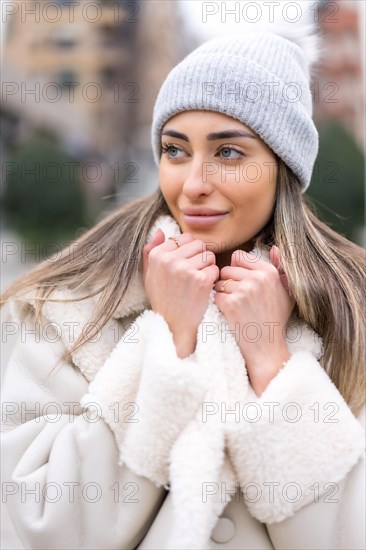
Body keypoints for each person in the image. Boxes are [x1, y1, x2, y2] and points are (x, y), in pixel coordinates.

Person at [1, 28, 365, 550]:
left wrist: (271, 363)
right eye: (175, 150)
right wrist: (168, 340)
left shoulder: (351, 310)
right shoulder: (74, 301)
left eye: (229, 153)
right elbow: (49, 526)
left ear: (283, 166)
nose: (193, 182)